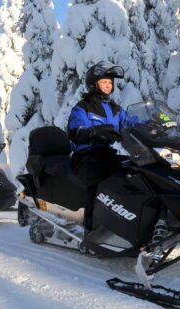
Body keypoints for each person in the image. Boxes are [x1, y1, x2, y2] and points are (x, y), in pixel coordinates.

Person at [67, 61, 127, 231]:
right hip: (85, 156)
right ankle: (92, 228)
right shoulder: (82, 108)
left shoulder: (116, 109)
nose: (108, 86)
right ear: (94, 84)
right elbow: (75, 130)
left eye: (110, 82)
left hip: (107, 155)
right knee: (100, 180)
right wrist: (93, 133)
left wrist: (152, 126)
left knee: (133, 172)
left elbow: (131, 122)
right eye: (104, 82)